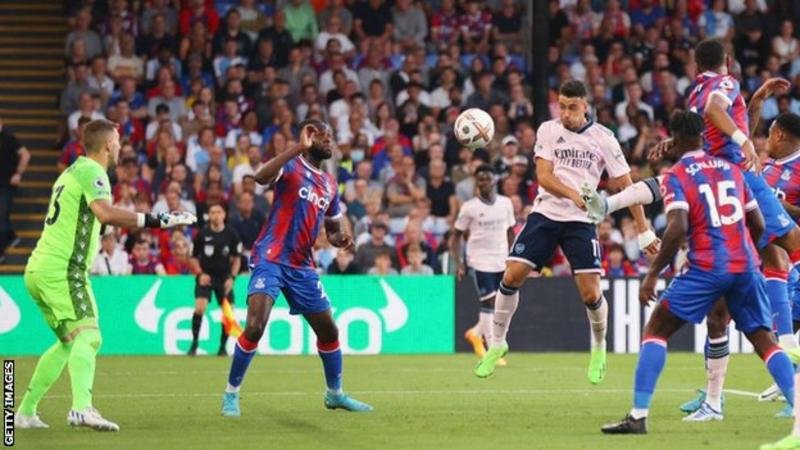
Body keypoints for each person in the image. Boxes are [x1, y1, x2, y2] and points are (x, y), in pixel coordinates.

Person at [585, 39, 800, 417]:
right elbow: (723, 118)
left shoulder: (695, 90)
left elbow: (715, 123)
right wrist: (742, 140)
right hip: (736, 180)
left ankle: (610, 202)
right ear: (727, 62)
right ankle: (724, 396)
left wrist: (751, 108)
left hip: (715, 187)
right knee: (779, 252)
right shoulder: (726, 83)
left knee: (771, 260)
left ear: (693, 64)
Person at [14, 119, 195, 431]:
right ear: (108, 144)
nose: (121, 144)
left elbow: (91, 219)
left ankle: (24, 412)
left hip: (39, 269)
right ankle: (82, 408)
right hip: (63, 270)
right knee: (90, 336)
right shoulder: (92, 172)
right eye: (118, 140)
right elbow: (105, 213)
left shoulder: (71, 172)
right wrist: (159, 219)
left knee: (70, 344)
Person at [473, 80, 658, 382]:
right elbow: (544, 177)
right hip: (546, 213)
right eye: (562, 106)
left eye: (572, 107)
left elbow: (629, 186)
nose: (566, 113)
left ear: (586, 106)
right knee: (511, 275)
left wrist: (643, 229)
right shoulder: (548, 129)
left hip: (581, 222)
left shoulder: (604, 139)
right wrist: (574, 195)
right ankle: (497, 342)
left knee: (590, 292)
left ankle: (598, 347)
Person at [221, 119, 372, 416]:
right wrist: (296, 148)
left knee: (329, 331)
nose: (330, 142)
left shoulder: (329, 183)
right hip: (270, 258)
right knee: (255, 325)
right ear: (309, 137)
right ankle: (231, 394)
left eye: (331, 137)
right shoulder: (291, 166)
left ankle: (335, 394)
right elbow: (260, 177)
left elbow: (331, 228)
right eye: (324, 137)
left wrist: (340, 239)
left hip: (302, 266)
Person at [451, 164, 515, 360]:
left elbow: (510, 231)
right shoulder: (469, 207)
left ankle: (476, 333)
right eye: (480, 179)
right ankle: (493, 349)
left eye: (487, 178)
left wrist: (513, 256)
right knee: (489, 301)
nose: (484, 182)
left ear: (494, 180)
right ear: (476, 183)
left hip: (502, 259)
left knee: (503, 304)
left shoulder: (506, 203)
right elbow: (456, 236)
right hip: (479, 260)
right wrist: (459, 262)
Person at [189, 203, 241, 356]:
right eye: (212, 212)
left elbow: (237, 259)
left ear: (224, 214)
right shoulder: (202, 234)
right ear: (209, 215)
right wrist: (200, 274)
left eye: (218, 212)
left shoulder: (232, 235)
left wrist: (232, 278)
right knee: (200, 307)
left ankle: (222, 347)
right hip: (206, 276)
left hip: (224, 277)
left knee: (228, 312)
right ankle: (194, 344)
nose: (216, 215)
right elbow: (192, 257)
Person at [0, 118, 30, 262]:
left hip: (7, 184)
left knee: (2, 216)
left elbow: (25, 154)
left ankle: (2, 250)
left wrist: (18, 173)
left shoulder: (8, 137)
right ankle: (11, 236)